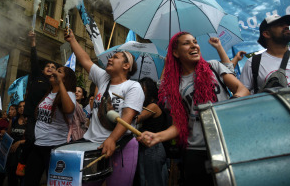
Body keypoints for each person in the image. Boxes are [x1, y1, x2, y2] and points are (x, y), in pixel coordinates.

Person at [137, 32, 249, 186]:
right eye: (186, 43)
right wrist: (158, 137)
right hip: (196, 152)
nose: (194, 46)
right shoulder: (174, 85)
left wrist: (229, 106)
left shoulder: (214, 67)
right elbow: (179, 125)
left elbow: (242, 89)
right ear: (175, 53)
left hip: (227, 143)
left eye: (195, 42)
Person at [65, 31, 145, 186]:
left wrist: (112, 139)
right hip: (92, 145)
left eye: (116, 57)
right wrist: (72, 40)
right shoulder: (103, 78)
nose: (110, 58)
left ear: (126, 65)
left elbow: (127, 117)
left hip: (122, 145)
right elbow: (85, 60)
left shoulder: (133, 86)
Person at [24, 66, 77, 186]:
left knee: (53, 182)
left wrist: (60, 84)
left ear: (66, 79)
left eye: (59, 72)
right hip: (38, 145)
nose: (54, 72)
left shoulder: (69, 94)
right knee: (29, 181)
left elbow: (69, 109)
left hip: (55, 147)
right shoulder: (48, 94)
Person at [17, 31, 58, 176]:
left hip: (45, 118)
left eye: (53, 67)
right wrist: (33, 41)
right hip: (32, 117)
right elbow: (34, 59)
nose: (50, 68)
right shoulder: (36, 76)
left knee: (41, 143)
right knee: (31, 139)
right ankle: (22, 163)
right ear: (42, 69)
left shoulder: (54, 85)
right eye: (47, 66)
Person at [240, 15, 290, 94]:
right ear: (267, 34)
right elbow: (244, 93)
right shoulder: (253, 63)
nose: (286, 27)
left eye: (287, 24)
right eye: (280, 25)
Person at [136, 77, 168, 186]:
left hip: (153, 147)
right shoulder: (148, 105)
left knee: (151, 181)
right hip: (148, 145)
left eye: (142, 90)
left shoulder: (153, 106)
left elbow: (136, 118)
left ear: (149, 90)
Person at [0, 106, 17, 186]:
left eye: (12, 110)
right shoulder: (3, 121)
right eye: (9, 109)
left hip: (12, 153)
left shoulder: (18, 122)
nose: (9, 111)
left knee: (12, 176)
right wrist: (1, 133)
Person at [7, 101, 26, 186]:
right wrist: (10, 120)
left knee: (22, 177)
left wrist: (19, 142)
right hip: (13, 153)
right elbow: (8, 135)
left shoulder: (30, 121)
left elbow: (32, 139)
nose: (22, 108)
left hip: (23, 154)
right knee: (11, 176)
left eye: (24, 106)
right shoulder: (14, 120)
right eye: (20, 106)